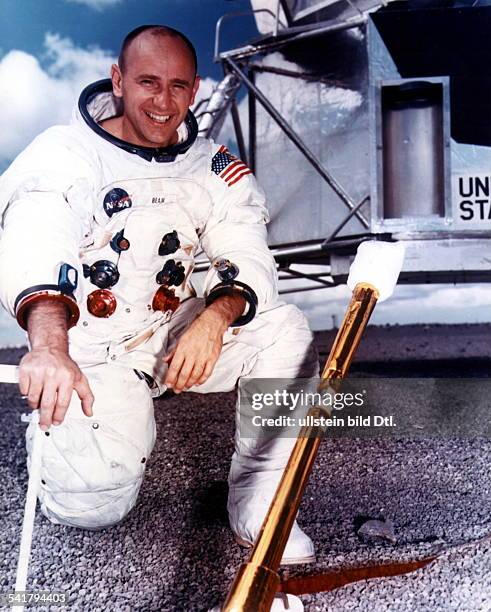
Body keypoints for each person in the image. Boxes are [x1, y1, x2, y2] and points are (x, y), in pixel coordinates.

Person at [0, 25, 319, 564]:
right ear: (118, 80)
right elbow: (37, 235)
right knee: (92, 505)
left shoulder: (215, 166)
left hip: (170, 335)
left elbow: (246, 246)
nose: (163, 102)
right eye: (148, 82)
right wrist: (50, 346)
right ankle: (64, 443)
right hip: (91, 349)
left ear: (195, 89)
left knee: (285, 332)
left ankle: (262, 496)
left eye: (177, 86)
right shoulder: (65, 152)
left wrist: (216, 317)